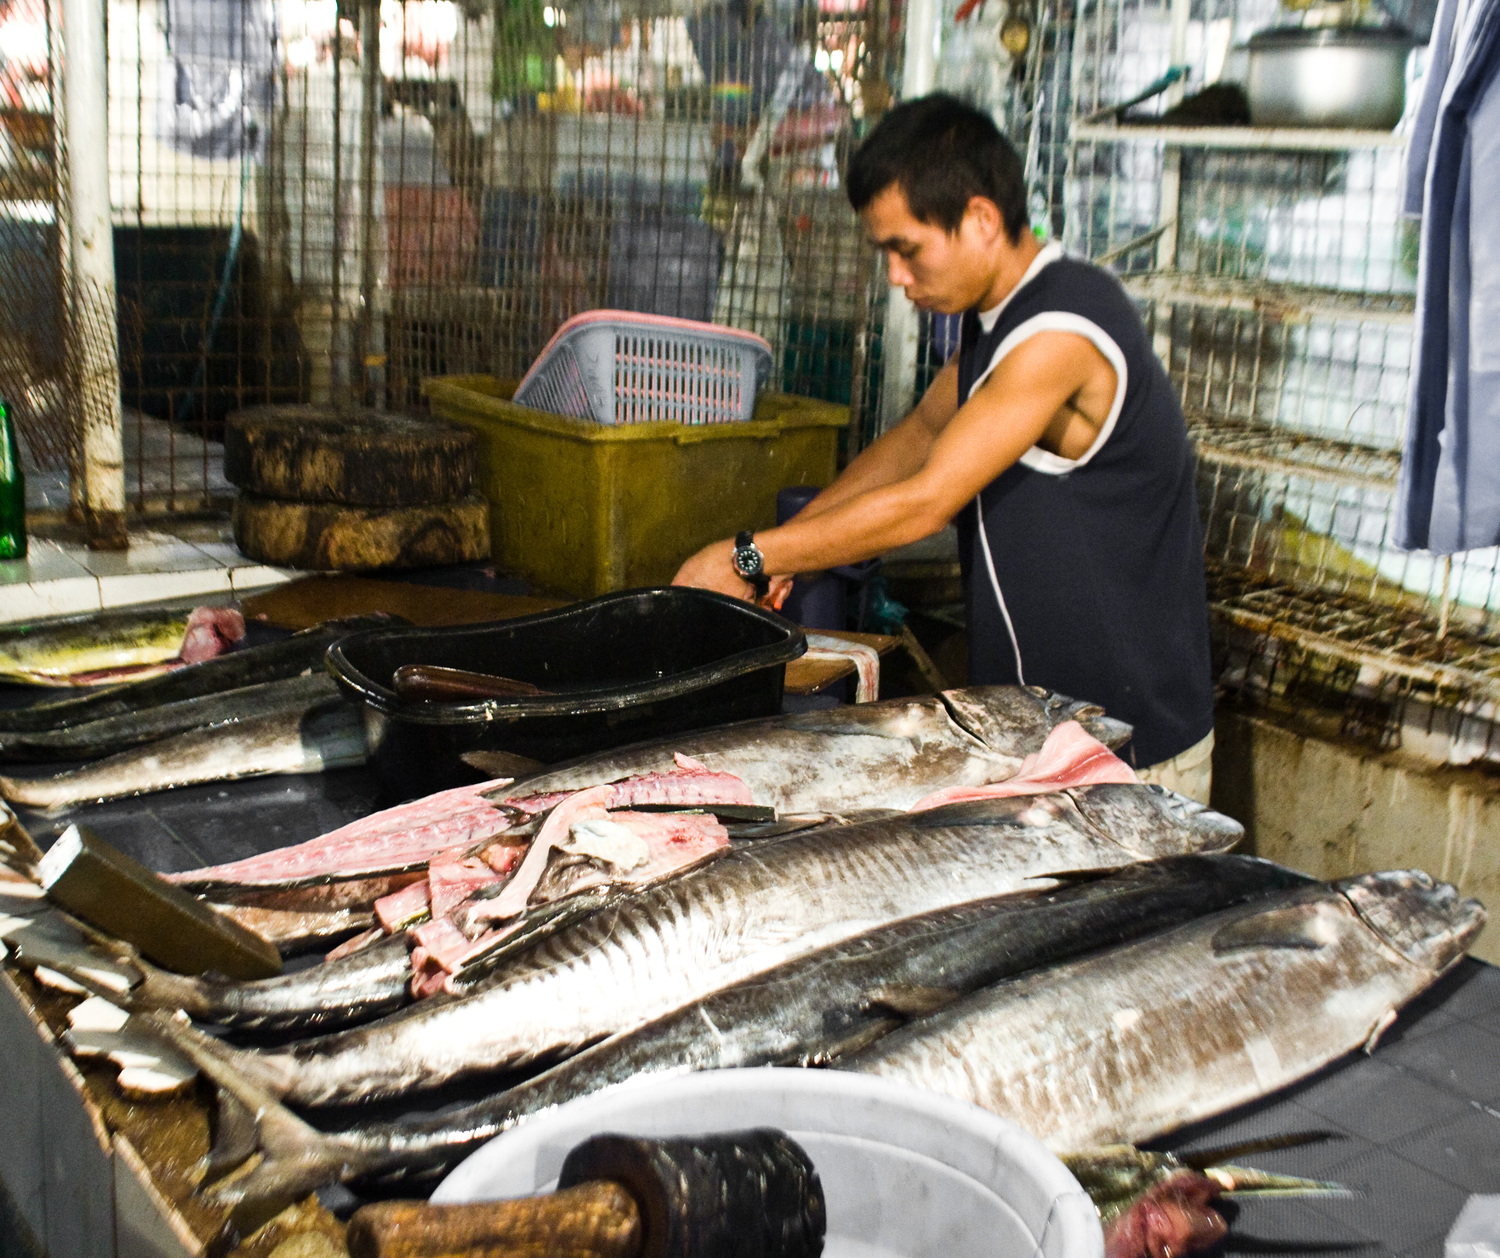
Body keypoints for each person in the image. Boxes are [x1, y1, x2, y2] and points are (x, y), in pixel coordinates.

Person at [672, 92, 1216, 801]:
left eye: (908, 249)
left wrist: (745, 554)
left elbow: (927, 501)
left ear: (981, 219)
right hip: (1046, 737)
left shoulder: (1063, 329)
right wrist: (795, 546)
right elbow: (922, 434)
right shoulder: (997, 319)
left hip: (1127, 750)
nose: (897, 276)